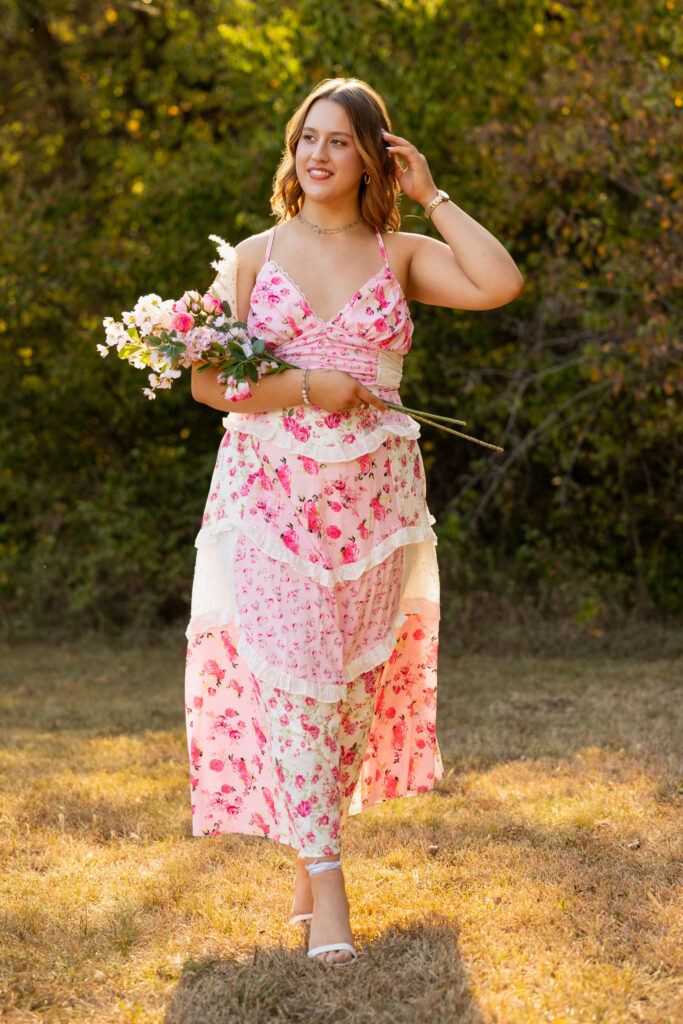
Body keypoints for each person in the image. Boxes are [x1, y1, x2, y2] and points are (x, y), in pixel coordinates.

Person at [185, 77, 523, 966]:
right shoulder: (253, 256)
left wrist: (433, 196)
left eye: (340, 141)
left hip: (374, 503)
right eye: (308, 138)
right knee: (295, 677)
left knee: (346, 696)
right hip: (268, 500)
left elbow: (497, 282)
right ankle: (329, 888)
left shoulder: (400, 251)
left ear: (373, 155)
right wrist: (305, 388)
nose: (319, 155)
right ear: (291, 152)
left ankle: (306, 869)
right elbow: (207, 382)